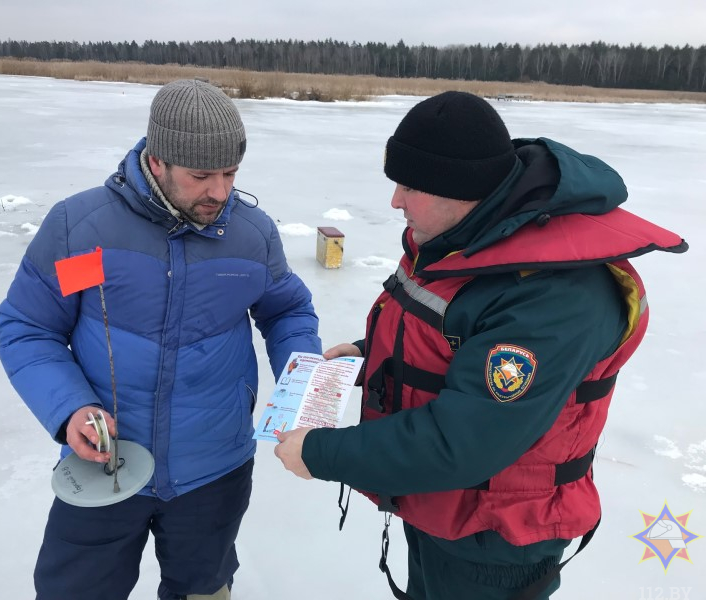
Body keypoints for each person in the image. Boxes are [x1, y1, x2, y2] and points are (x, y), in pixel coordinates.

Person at [274, 91, 687, 599]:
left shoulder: (556, 295)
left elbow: (461, 441)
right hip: (439, 506)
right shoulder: (464, 234)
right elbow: (455, 331)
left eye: (410, 186)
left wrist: (321, 454)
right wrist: (371, 357)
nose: (395, 201)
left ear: (461, 188)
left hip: (497, 538)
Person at [0, 79, 321, 600]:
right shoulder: (83, 230)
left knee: (204, 590)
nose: (220, 192)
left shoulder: (251, 235)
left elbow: (288, 310)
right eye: (201, 176)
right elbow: (29, 328)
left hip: (215, 471)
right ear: (157, 161)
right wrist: (70, 407)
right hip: (104, 464)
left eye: (230, 173)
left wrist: (302, 383)